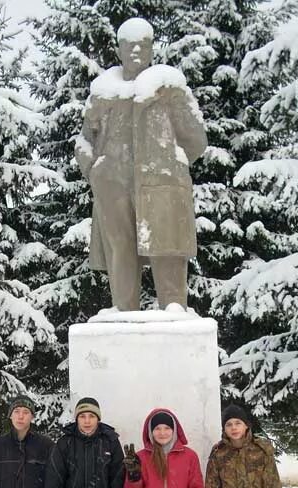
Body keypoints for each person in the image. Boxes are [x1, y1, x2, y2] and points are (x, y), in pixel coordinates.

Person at [75, 17, 207, 311]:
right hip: (112, 183)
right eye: (129, 45)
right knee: (120, 250)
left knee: (167, 249)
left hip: (160, 182)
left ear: (151, 49)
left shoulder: (170, 89)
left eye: (142, 45)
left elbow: (196, 139)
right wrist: (94, 169)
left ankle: (174, 313)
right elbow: (84, 139)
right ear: (119, 50)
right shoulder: (103, 93)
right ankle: (124, 315)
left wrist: (170, 162)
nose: (136, 51)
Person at [45, 397, 127, 488]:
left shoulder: (110, 442)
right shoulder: (65, 443)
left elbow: (118, 481)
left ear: (98, 419)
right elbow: (54, 482)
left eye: (91, 416)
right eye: (82, 416)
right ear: (77, 419)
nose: (87, 421)